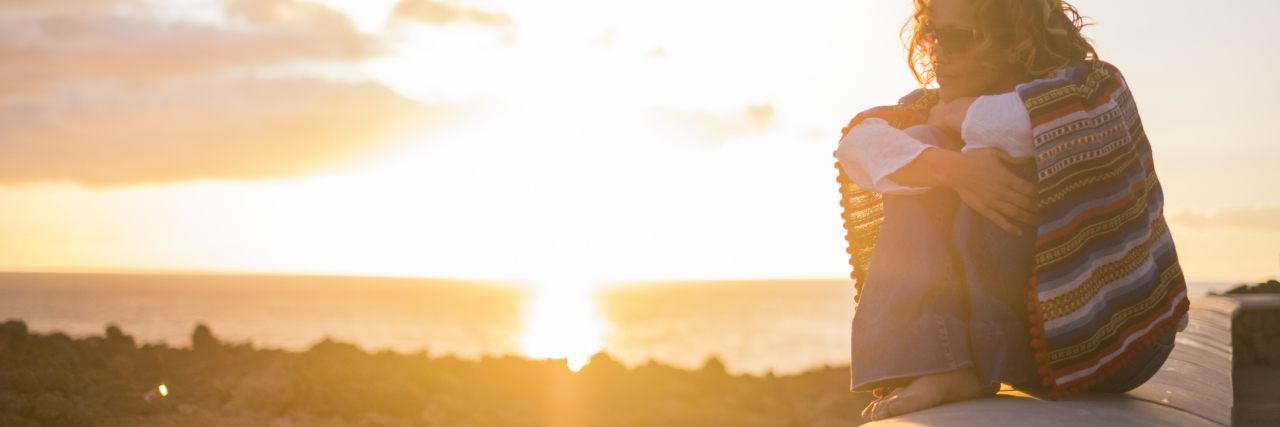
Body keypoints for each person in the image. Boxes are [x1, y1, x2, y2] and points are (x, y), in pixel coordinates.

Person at [832, 0, 1189, 421]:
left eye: (956, 37)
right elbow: (858, 144)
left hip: (1123, 340)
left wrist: (955, 118)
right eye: (932, 37)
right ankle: (944, 366)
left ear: (1016, 42)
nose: (936, 53)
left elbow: (1023, 124)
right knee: (924, 140)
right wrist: (955, 170)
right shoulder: (937, 105)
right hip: (1030, 350)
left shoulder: (1094, 86)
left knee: (982, 143)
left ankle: (954, 364)